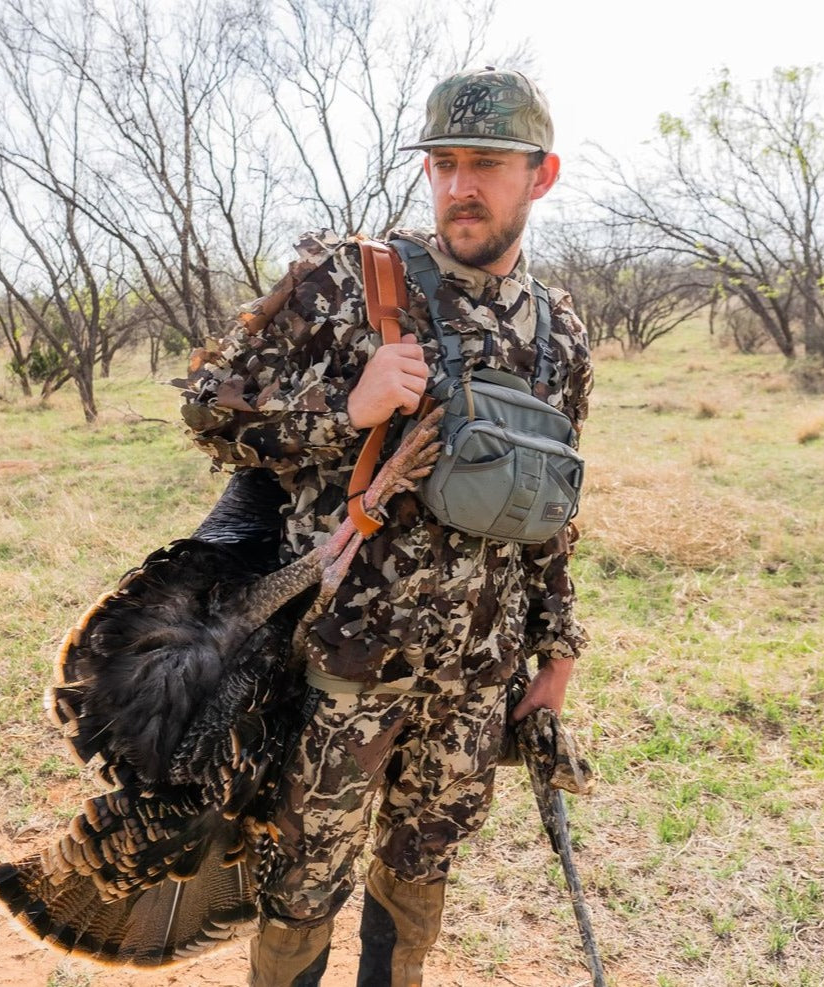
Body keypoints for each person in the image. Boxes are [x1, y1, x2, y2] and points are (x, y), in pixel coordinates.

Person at [178, 66, 593, 987]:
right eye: (442, 163)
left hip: (477, 680)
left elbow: (552, 512)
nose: (459, 186)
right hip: (343, 664)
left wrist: (555, 651)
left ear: (542, 176)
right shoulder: (345, 281)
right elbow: (207, 404)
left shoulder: (560, 331)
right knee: (303, 881)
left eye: (486, 164)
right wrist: (344, 407)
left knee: (418, 873)